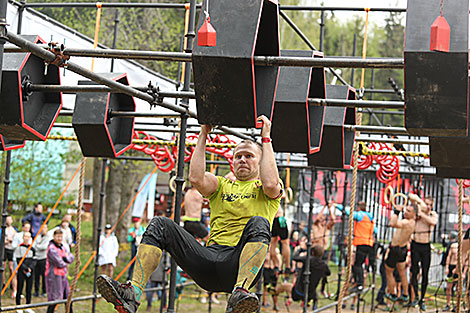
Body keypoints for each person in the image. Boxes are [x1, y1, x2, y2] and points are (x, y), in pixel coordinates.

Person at [97, 116, 282, 313]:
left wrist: (266, 138)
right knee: (160, 224)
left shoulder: (266, 189)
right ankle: (132, 295)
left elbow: (271, 184)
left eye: (249, 156)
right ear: (232, 162)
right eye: (238, 156)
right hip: (208, 263)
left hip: (239, 268)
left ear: (261, 162)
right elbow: (196, 177)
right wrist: (203, 134)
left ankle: (240, 294)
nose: (242, 159)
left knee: (259, 222)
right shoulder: (221, 185)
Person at [407, 194, 438, 310]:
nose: (429, 207)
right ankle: (415, 296)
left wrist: (422, 214)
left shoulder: (432, 215)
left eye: (431, 205)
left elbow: (432, 222)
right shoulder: (418, 212)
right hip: (416, 245)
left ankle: (422, 299)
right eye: (427, 204)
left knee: (425, 273)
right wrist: (421, 204)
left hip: (426, 246)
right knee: (414, 272)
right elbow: (411, 196)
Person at [336, 201, 376, 292]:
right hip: (369, 244)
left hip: (361, 243)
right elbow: (375, 230)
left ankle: (359, 284)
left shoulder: (360, 215)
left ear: (358, 208)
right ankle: (358, 282)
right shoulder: (371, 218)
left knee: (357, 265)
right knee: (359, 264)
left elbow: (348, 212)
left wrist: (336, 206)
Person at [384, 205, 416, 304]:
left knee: (389, 271)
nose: (406, 212)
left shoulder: (406, 222)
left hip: (396, 249)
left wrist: (397, 211)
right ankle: (405, 294)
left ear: (414, 214)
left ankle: (393, 293)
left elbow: (392, 223)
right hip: (403, 249)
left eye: (409, 211)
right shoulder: (413, 223)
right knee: (402, 273)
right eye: (406, 210)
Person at [46, 229, 75, 313]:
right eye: (58, 236)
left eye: (61, 237)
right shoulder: (52, 249)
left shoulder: (62, 247)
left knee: (68, 297)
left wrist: (65, 258)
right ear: (54, 237)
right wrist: (65, 259)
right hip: (54, 275)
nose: (59, 239)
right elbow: (59, 263)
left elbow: (71, 257)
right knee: (54, 299)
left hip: (63, 275)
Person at [14, 231, 36, 312]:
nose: (26, 238)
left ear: (30, 238)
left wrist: (30, 268)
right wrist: (25, 269)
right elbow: (18, 260)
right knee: (20, 287)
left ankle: (28, 305)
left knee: (29, 288)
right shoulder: (19, 248)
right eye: (25, 236)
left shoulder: (32, 249)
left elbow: (34, 260)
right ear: (23, 237)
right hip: (22, 270)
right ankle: (18, 305)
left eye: (28, 237)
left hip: (30, 270)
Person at [269, 205, 291, 274]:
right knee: (285, 243)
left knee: (273, 244)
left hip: (272, 219)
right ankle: (287, 266)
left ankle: (276, 265)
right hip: (280, 218)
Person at [33, 224, 50, 297]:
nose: (43, 229)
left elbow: (44, 247)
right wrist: (38, 246)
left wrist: (38, 246)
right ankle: (36, 291)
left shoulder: (49, 237)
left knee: (44, 276)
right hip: (36, 258)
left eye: (44, 228)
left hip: (44, 258)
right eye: (42, 228)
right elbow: (33, 246)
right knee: (36, 276)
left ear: (47, 229)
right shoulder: (38, 236)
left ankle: (44, 291)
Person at [4, 215, 18, 298]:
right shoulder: (3, 229)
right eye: (7, 219)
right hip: (4, 249)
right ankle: (3, 284)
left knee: (11, 268)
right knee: (3, 267)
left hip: (11, 250)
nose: (8, 221)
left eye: (10, 219)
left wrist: (10, 240)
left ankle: (11, 285)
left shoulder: (14, 230)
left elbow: (16, 239)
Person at [443, 240, 458, 311]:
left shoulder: (465, 247)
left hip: (459, 269)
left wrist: (460, 270)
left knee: (458, 288)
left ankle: (456, 305)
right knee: (449, 287)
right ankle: (448, 304)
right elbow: (448, 257)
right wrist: (447, 267)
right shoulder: (453, 246)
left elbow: (466, 259)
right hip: (451, 267)